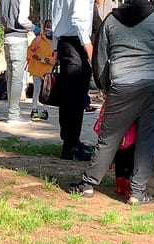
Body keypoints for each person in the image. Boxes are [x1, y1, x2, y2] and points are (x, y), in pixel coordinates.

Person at [69, 0, 154, 205]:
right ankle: (137, 193)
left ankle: (88, 184)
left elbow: (100, 58)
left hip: (122, 84)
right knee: (147, 140)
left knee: (109, 137)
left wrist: (105, 87)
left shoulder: (110, 20)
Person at [51, 0, 94, 161]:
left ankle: (71, 140)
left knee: (70, 96)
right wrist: (88, 47)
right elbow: (78, 18)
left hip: (65, 42)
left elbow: (56, 16)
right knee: (75, 97)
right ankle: (70, 144)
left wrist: (56, 46)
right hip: (77, 42)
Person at [0, 0, 40, 124]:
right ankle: (14, 115)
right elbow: (22, 20)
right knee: (17, 78)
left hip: (7, 38)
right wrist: (34, 29)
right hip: (19, 39)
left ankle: (13, 112)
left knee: (11, 77)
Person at [26, 19, 54, 122]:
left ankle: (45, 110)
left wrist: (50, 60)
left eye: (50, 27)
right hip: (36, 68)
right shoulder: (38, 39)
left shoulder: (55, 41)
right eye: (47, 26)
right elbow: (29, 50)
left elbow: (56, 55)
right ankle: (34, 109)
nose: (48, 29)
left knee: (46, 92)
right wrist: (34, 56)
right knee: (37, 90)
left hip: (48, 70)